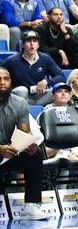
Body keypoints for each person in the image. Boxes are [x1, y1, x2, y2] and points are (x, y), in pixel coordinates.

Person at [0, 66, 50, 220]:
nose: (2, 83)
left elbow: (24, 132)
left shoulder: (19, 103)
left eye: (6, 79)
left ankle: (31, 206)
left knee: (35, 155)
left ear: (11, 81)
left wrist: (28, 145)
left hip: (8, 152)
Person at [3, 31, 65, 104]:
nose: (32, 44)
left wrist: (46, 82)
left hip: (39, 95)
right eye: (29, 41)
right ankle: (24, 111)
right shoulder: (12, 61)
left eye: (35, 41)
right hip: (19, 97)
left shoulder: (45, 58)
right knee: (22, 90)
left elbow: (61, 76)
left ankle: (39, 111)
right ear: (23, 45)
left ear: (38, 45)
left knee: (58, 91)